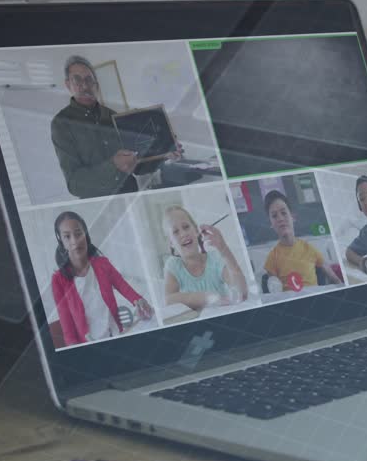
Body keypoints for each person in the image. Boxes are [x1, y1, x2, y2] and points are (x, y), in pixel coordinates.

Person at [50, 54, 181, 199]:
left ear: (96, 85)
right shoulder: (61, 123)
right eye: (77, 80)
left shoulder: (114, 116)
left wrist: (164, 154)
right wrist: (113, 166)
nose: (85, 86)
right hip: (102, 205)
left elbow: (137, 165)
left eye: (89, 80)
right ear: (68, 85)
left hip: (131, 196)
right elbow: (75, 185)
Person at [49, 211, 153, 346]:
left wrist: (138, 300)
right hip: (89, 344)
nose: (74, 241)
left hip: (116, 334)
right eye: (67, 237)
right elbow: (67, 326)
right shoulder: (58, 280)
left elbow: (123, 286)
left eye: (78, 233)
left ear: (86, 235)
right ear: (61, 243)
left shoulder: (102, 263)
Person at [161, 205, 249, 311]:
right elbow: (168, 300)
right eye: (176, 232)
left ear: (196, 231)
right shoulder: (173, 265)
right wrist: (208, 298)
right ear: (171, 242)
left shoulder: (215, 259)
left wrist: (223, 248)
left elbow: (242, 292)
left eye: (186, 227)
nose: (183, 234)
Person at [263, 189, 343, 291]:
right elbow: (274, 293)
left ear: (293, 217)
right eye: (274, 216)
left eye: (284, 213)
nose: (280, 219)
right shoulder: (272, 258)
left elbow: (335, 280)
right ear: (271, 223)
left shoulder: (310, 249)